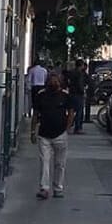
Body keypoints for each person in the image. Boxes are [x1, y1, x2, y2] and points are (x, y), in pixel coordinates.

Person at [32, 71, 75, 199]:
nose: (53, 82)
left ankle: (58, 187)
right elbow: (35, 114)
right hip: (44, 133)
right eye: (51, 80)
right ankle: (44, 188)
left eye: (56, 80)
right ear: (47, 81)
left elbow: (71, 112)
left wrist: (67, 128)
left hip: (60, 134)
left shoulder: (65, 96)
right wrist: (33, 130)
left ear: (60, 82)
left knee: (60, 163)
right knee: (44, 161)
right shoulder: (41, 95)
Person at [68, 58, 90, 134]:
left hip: (71, 93)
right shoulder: (80, 73)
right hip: (78, 94)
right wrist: (83, 91)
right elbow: (80, 84)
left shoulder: (71, 72)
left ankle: (69, 125)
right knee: (79, 111)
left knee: (71, 111)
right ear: (81, 65)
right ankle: (78, 128)